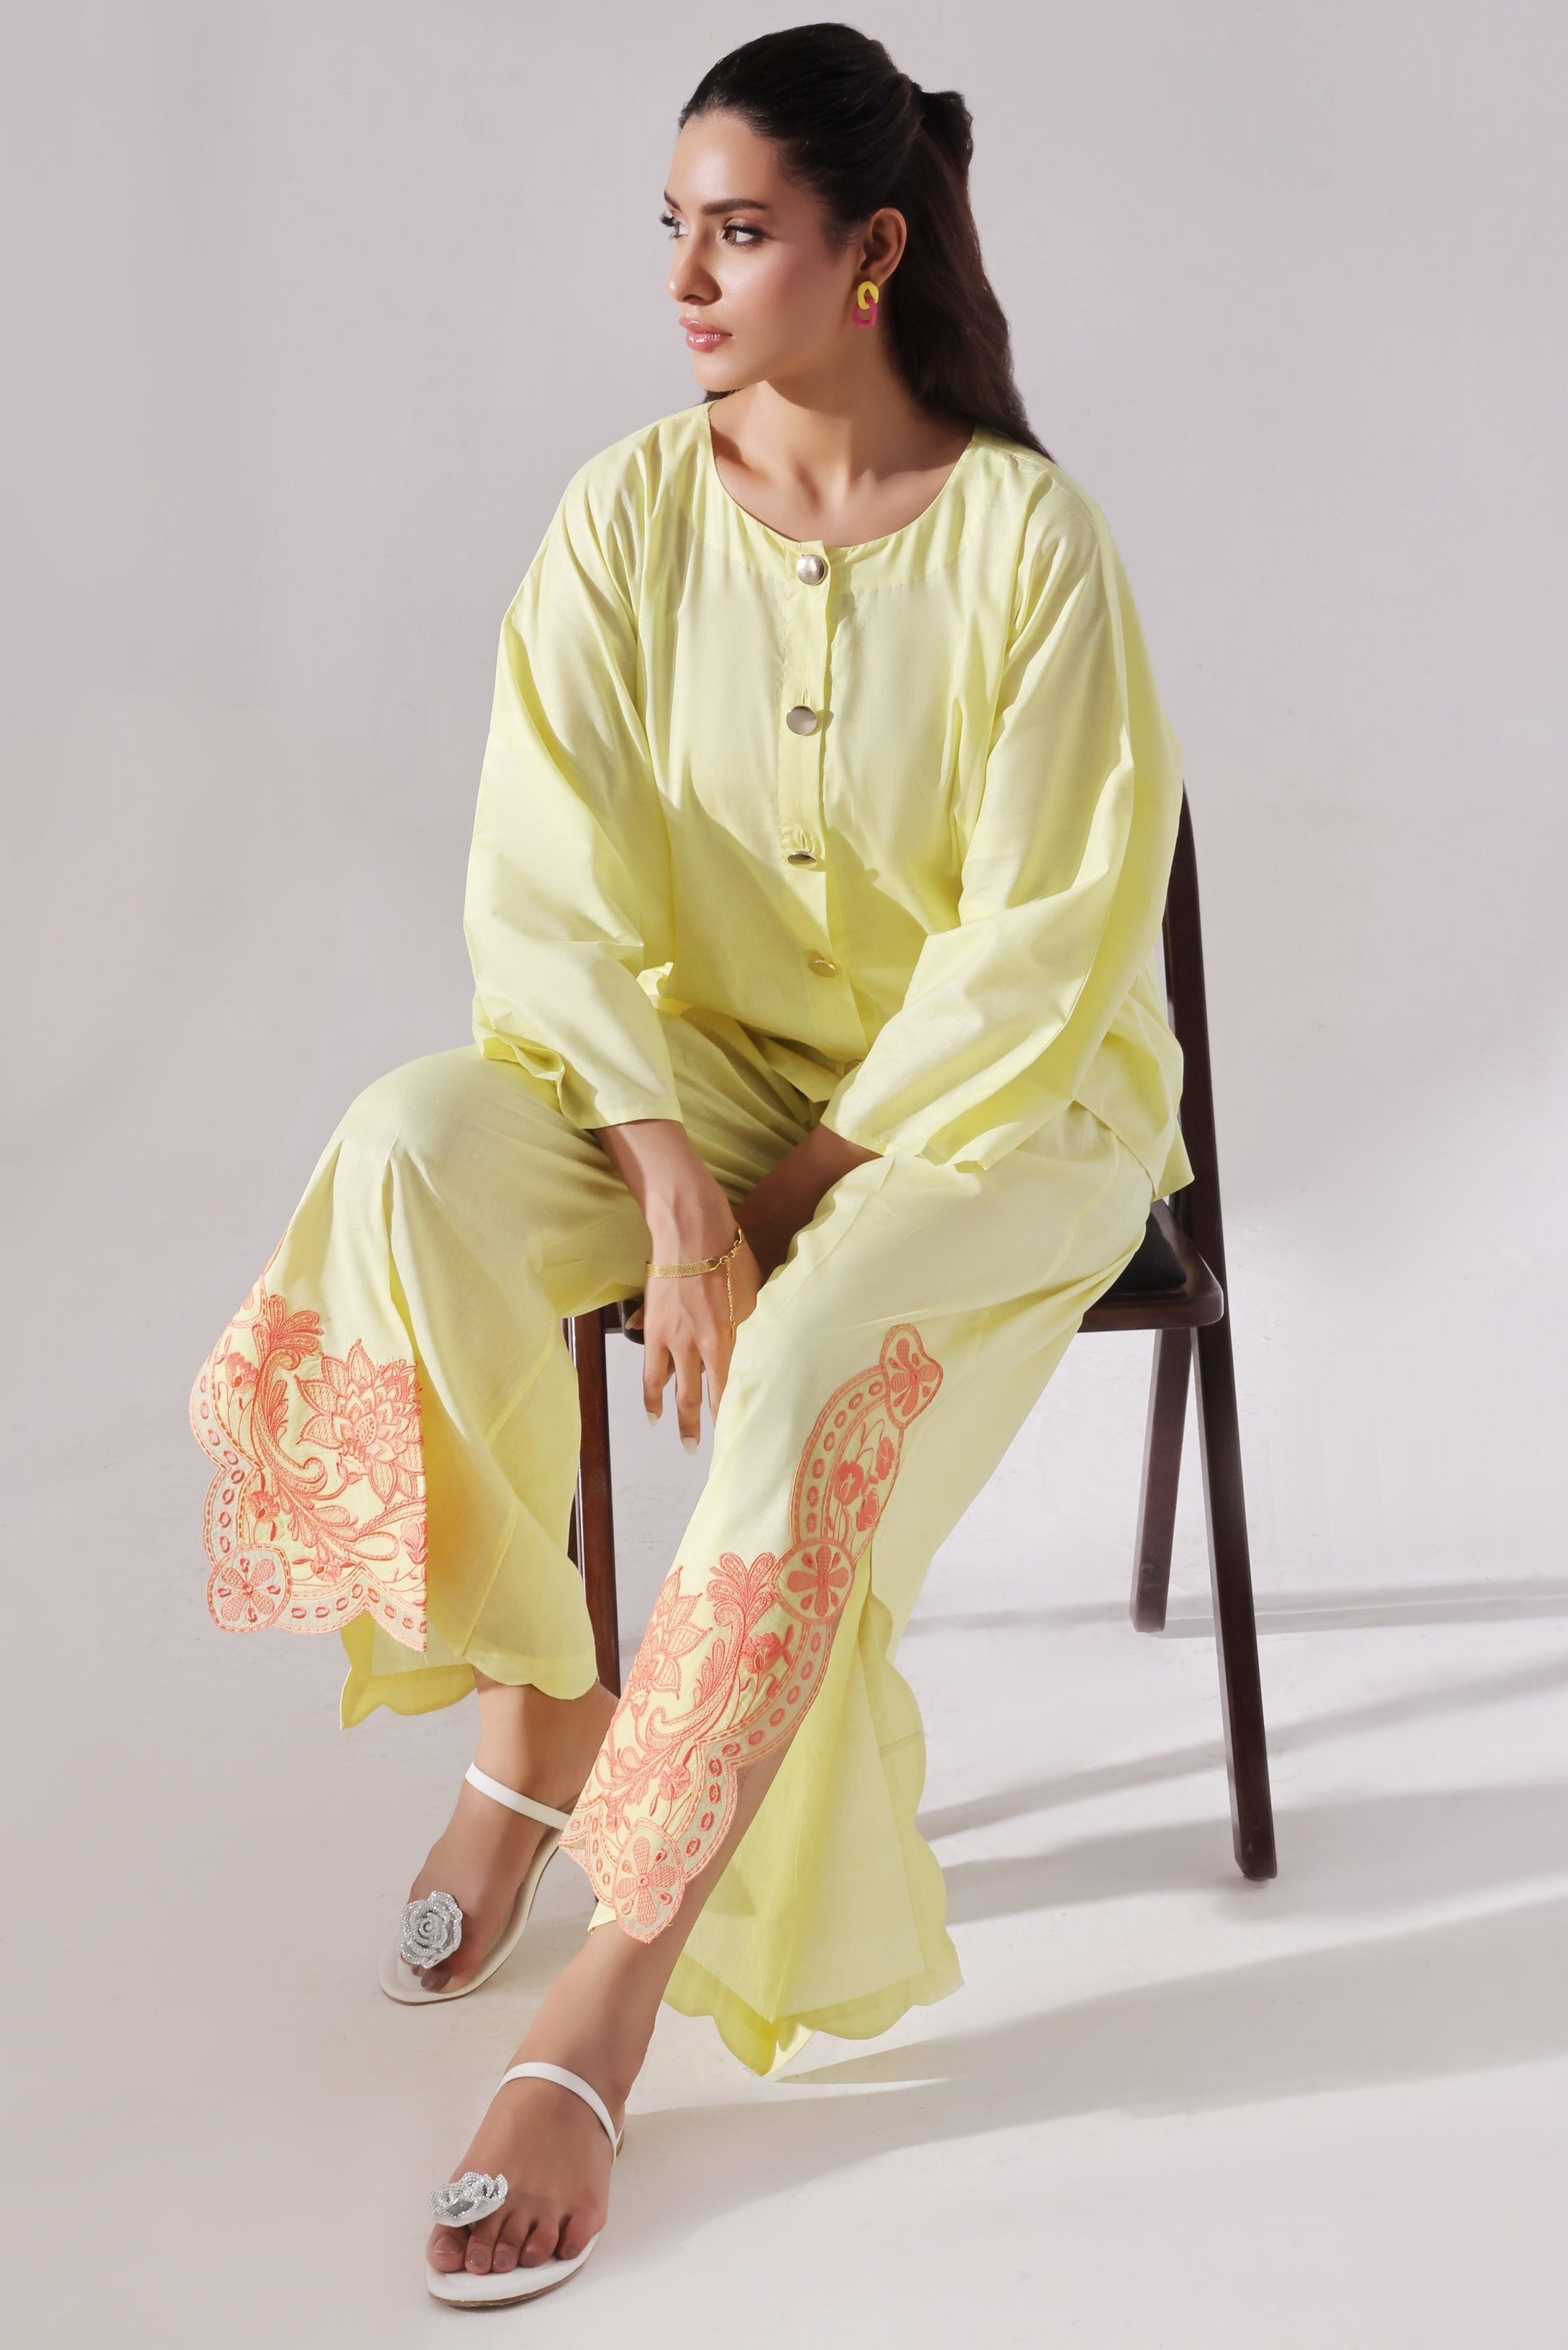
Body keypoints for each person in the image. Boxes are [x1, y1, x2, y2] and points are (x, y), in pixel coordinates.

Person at [190, 21, 1193, 2305]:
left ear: (873, 253)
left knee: (809, 1349)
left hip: (999, 1120)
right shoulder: (629, 514)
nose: (684, 278)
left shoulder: (1030, 543)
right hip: (700, 1089)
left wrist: (774, 1215)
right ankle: (533, 1711)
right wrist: (666, 1177)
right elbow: (543, 878)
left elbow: (1042, 951)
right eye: (672, 227)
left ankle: (609, 1995)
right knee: (408, 1148)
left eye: (737, 233)